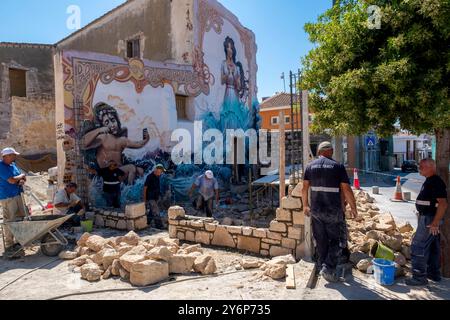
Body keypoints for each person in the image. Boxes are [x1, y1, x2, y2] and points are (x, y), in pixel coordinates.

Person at [302, 141, 358, 282]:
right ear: (331, 151)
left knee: (320, 239)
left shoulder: (310, 166)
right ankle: (328, 268)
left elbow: (304, 188)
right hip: (333, 210)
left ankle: (323, 264)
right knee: (337, 240)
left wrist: (305, 205)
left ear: (319, 152)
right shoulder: (338, 166)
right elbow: (346, 189)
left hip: (316, 210)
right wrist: (353, 207)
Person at [83, 103, 150, 184]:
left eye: (113, 120)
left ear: (117, 121)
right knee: (131, 168)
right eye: (107, 122)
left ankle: (134, 191)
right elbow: (83, 143)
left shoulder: (122, 140)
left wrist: (146, 140)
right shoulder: (103, 137)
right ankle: (128, 192)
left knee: (140, 171)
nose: (112, 125)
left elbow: (138, 144)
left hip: (120, 170)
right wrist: (98, 130)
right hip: (107, 172)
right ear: (102, 126)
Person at [406, 159, 448, 286]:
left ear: (431, 167)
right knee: (433, 247)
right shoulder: (430, 181)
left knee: (418, 246)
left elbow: (443, 204)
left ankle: (419, 277)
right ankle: (433, 274)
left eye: (422, 166)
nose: (419, 168)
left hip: (429, 219)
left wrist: (435, 222)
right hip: (429, 218)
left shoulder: (435, 182)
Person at [0, 147, 27, 258]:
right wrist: (20, 177)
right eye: (13, 155)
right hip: (8, 197)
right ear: (6, 156)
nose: (15, 157)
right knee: (10, 220)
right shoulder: (1, 166)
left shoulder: (13, 165)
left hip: (18, 194)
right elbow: (11, 180)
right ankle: (9, 244)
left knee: (20, 218)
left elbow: (21, 178)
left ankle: (18, 241)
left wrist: (21, 179)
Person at [143, 164, 165, 229]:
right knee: (156, 211)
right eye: (161, 171)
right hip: (150, 197)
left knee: (152, 212)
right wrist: (144, 199)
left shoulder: (157, 177)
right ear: (157, 170)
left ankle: (146, 222)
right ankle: (159, 226)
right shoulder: (149, 177)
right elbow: (145, 188)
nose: (161, 173)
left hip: (155, 197)